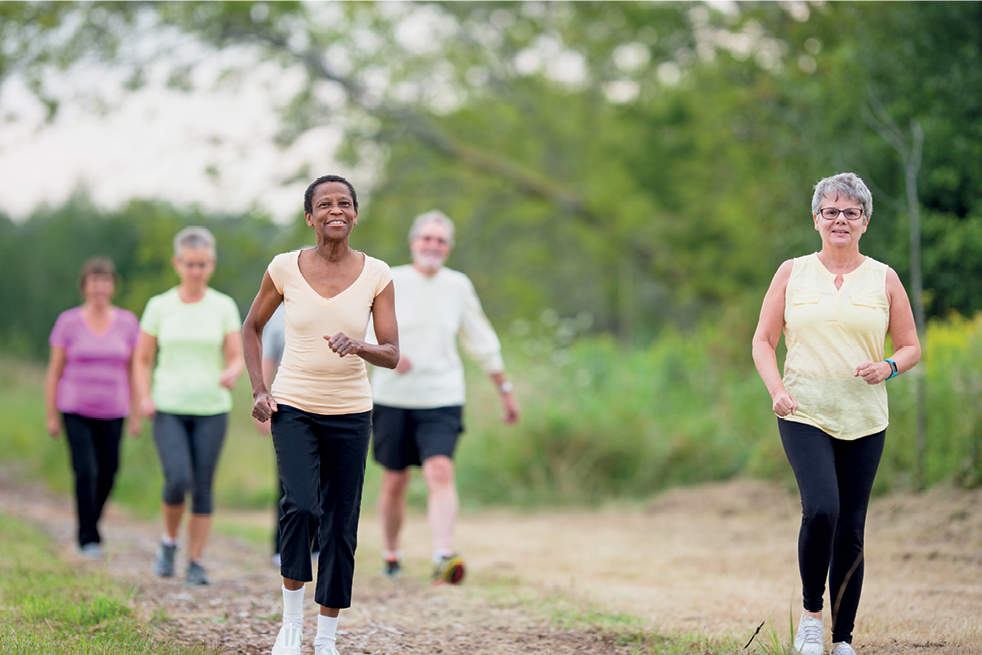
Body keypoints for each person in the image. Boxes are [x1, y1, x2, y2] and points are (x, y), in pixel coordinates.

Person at [752, 173, 920, 655]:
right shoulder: (792, 272)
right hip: (803, 411)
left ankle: (843, 639)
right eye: (831, 211)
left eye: (850, 212)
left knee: (851, 525)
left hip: (865, 418)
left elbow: (910, 347)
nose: (840, 219)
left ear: (864, 222)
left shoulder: (884, 277)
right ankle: (811, 618)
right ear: (816, 220)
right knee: (822, 510)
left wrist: (887, 366)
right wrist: (777, 389)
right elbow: (763, 340)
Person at [243, 174, 399, 655]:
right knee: (302, 507)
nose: (337, 210)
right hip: (294, 406)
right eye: (325, 204)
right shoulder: (284, 268)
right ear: (309, 217)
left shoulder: (378, 274)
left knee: (339, 523)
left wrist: (360, 346)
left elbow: (392, 353)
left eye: (345, 203)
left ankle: (326, 638)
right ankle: (291, 625)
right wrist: (259, 389)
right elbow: (251, 328)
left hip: (351, 413)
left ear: (355, 214)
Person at [371, 210, 520, 585]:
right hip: (393, 397)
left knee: (441, 470)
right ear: (413, 243)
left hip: (441, 396)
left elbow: (481, 339)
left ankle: (443, 555)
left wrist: (504, 390)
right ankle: (392, 553)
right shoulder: (390, 279)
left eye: (440, 240)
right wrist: (385, 350)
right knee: (395, 480)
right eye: (427, 239)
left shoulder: (458, 286)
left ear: (449, 248)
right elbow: (360, 326)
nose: (432, 246)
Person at [133, 227, 244, 586]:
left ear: (211, 264)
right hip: (169, 406)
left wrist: (232, 371)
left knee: (203, 486)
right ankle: (168, 542)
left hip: (212, 408)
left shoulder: (223, 305)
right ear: (177, 263)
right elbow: (142, 359)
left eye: (203, 264)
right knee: (178, 478)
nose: (196, 270)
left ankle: (195, 560)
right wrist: (144, 396)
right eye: (189, 264)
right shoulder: (159, 306)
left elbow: (235, 355)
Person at [44, 257, 141, 560]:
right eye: (94, 281)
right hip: (75, 407)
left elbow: (134, 370)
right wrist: (51, 415)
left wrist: (136, 412)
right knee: (86, 470)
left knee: (109, 471)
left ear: (113, 286)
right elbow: (54, 372)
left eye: (105, 281)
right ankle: (88, 537)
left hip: (114, 409)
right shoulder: (68, 322)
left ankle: (91, 523)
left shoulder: (127, 323)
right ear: (84, 286)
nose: (100, 287)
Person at [253, 303, 320, 567]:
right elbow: (268, 359)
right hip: (289, 409)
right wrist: (262, 397)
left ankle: (318, 545)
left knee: (326, 482)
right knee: (289, 482)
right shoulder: (279, 316)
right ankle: (282, 546)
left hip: (331, 406)